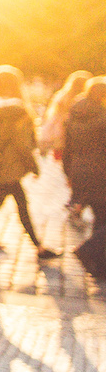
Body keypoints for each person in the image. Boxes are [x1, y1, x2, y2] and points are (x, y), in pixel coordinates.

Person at [0, 65, 60, 260]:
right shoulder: (16, 110)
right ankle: (38, 246)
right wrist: (33, 166)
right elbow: (22, 144)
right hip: (11, 165)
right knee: (19, 204)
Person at [64, 78, 106, 278]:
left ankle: (99, 265)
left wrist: (68, 172)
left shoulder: (74, 115)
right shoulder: (103, 118)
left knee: (101, 215)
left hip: (79, 169)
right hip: (101, 171)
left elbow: (67, 148)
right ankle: (88, 250)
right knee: (102, 216)